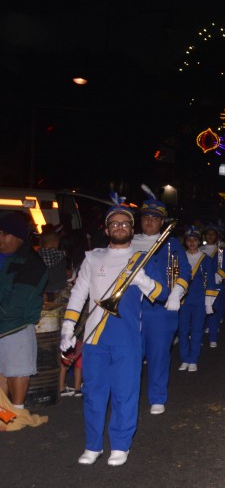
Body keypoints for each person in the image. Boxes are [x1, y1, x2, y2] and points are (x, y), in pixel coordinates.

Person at [61, 194, 167, 466]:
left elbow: (160, 293)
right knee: (94, 393)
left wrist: (141, 280)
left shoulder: (142, 258)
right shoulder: (92, 257)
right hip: (95, 336)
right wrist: (68, 327)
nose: (120, 227)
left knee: (125, 392)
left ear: (132, 230)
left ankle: (120, 445)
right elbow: (79, 294)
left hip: (128, 338)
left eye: (125, 223)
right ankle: (93, 445)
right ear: (106, 229)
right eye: (114, 223)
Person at [131, 185, 190, 415]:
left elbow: (184, 271)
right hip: (132, 308)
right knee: (131, 356)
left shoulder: (171, 244)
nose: (149, 222)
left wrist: (176, 293)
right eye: (146, 218)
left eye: (155, 219)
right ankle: (130, 396)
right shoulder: (129, 242)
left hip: (160, 310)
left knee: (158, 355)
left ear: (162, 222)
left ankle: (157, 397)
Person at [0, 212, 47, 410]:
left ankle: (17, 411)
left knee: (17, 370)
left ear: (18, 237)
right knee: (2, 371)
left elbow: (19, 302)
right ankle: (4, 414)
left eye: (5, 233)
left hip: (15, 326)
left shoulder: (30, 262)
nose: (0, 238)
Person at [177, 226, 218, 373]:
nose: (192, 242)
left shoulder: (205, 259)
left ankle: (193, 359)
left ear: (199, 241)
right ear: (186, 242)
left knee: (196, 330)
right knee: (182, 330)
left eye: (195, 240)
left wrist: (209, 302)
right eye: (189, 240)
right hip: (183, 300)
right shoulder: (180, 256)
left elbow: (211, 281)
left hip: (199, 299)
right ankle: (184, 359)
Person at [201, 223, 225, 348]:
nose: (210, 236)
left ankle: (213, 337)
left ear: (216, 236)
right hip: (202, 285)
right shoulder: (199, 249)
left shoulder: (220, 251)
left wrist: (218, 276)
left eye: (212, 234)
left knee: (214, 311)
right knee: (202, 311)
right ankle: (201, 334)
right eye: (208, 234)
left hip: (216, 284)